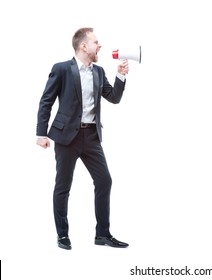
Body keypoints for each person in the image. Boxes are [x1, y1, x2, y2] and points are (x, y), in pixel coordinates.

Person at [36, 27, 130, 250]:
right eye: (96, 42)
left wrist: (121, 75)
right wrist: (41, 134)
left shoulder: (98, 71)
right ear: (83, 46)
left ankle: (103, 234)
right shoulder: (61, 69)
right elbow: (46, 101)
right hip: (66, 137)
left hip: (91, 136)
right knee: (63, 186)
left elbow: (114, 98)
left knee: (104, 180)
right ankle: (62, 235)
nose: (100, 46)